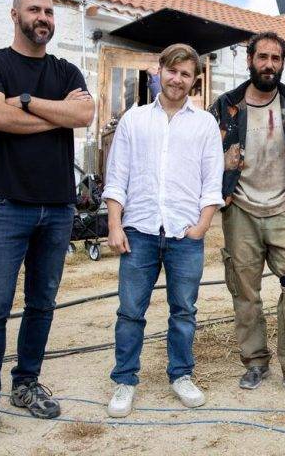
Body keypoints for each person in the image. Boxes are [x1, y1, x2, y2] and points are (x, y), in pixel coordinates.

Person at [0, 0, 94, 452]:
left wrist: (27, 103)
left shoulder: (65, 70)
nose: (44, 17)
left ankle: (26, 383)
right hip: (4, 204)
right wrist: (55, 114)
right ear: (15, 14)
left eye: (50, 11)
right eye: (35, 9)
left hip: (57, 206)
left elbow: (85, 113)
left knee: (42, 303)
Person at [102, 44, 223, 416]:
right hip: (138, 231)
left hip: (184, 235)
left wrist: (202, 226)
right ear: (159, 71)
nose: (177, 79)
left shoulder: (204, 124)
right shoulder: (134, 120)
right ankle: (124, 380)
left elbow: (211, 182)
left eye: (185, 74)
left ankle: (181, 375)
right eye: (172, 71)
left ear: (194, 80)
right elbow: (117, 176)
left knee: (184, 310)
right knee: (130, 312)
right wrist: (114, 224)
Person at [210, 32, 285, 398]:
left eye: (276, 58)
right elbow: (208, 158)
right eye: (263, 57)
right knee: (245, 290)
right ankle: (255, 362)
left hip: (284, 210)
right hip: (240, 209)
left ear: (283, 63)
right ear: (249, 60)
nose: (269, 65)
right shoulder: (226, 106)